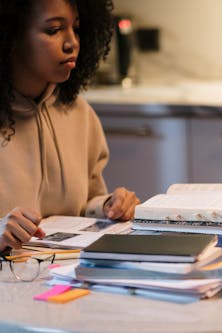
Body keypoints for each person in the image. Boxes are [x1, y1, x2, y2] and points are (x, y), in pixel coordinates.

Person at [0, 0, 140, 252]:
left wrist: (109, 205)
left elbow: (84, 203)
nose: (72, 42)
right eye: (53, 30)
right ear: (10, 36)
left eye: (75, 28)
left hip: (67, 277)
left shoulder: (79, 113)